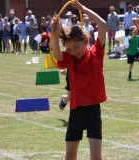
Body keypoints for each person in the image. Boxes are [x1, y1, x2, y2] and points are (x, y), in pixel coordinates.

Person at [51, 0, 107, 159]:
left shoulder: (97, 53)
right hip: (76, 111)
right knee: (70, 155)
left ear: (86, 41)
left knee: (96, 157)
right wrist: (55, 32)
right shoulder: (70, 58)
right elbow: (57, 55)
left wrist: (83, 9)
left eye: (76, 47)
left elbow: (102, 24)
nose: (73, 52)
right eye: (69, 49)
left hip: (93, 111)